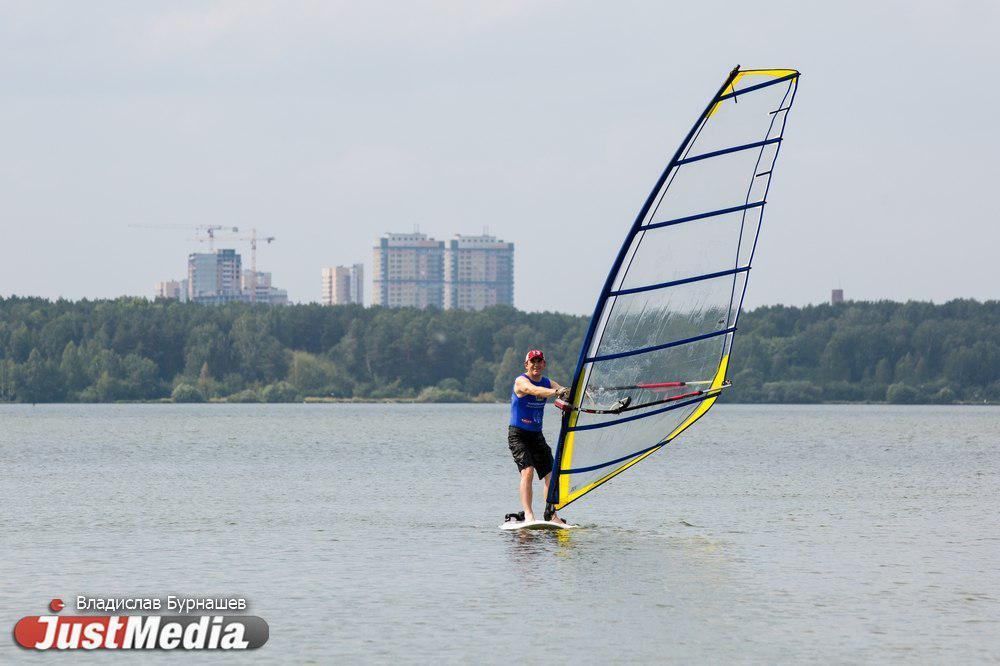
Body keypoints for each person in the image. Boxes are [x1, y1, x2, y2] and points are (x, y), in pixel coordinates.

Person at [507, 349, 570, 523]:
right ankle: (529, 515)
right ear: (526, 364)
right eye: (532, 362)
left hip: (536, 436)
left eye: (539, 361)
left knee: (551, 474)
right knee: (528, 472)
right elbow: (533, 390)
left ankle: (551, 514)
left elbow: (565, 392)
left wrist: (574, 392)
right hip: (518, 435)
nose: (536, 364)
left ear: (544, 364)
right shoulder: (521, 381)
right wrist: (556, 392)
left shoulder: (548, 382)